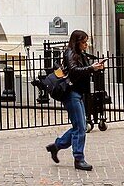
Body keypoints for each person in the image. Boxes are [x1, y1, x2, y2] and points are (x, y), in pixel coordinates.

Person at [46, 30, 104, 172]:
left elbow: (83, 71)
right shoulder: (70, 53)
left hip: (78, 92)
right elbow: (73, 71)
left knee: (80, 126)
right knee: (80, 127)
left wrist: (95, 68)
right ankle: (79, 159)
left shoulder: (80, 54)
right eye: (84, 42)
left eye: (86, 41)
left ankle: (56, 146)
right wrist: (91, 67)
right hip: (71, 93)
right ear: (77, 41)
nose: (86, 44)